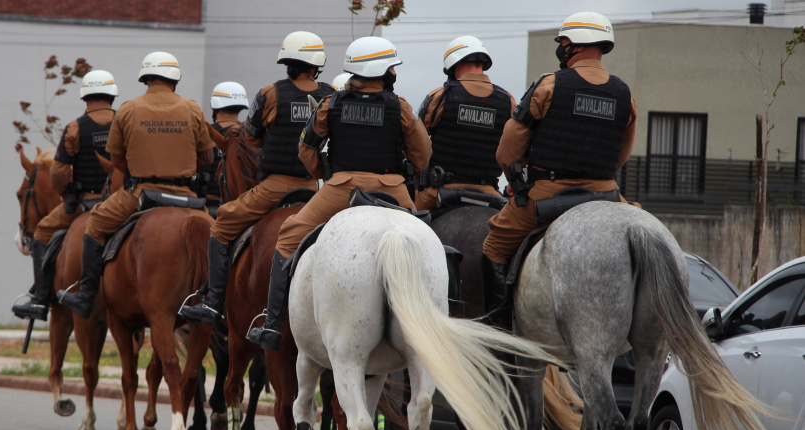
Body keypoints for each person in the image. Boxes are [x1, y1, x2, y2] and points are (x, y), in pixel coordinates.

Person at [246, 36, 432, 351]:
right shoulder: (400, 106)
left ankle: (273, 324)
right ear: (380, 70)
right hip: (392, 187)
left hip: (342, 188)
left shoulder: (330, 103)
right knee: (428, 242)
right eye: (391, 67)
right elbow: (423, 156)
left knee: (288, 235)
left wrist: (324, 175)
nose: (393, 72)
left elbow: (306, 148)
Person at [481, 12, 638, 325]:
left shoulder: (549, 85)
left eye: (564, 42)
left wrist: (516, 179)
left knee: (493, 246)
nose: (561, 48)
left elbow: (508, 149)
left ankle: (499, 326)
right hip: (606, 195)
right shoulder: (624, 94)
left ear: (577, 45)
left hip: (548, 194)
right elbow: (621, 154)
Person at [180, 32, 335, 327]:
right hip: (317, 190)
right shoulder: (332, 95)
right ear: (317, 64)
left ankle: (213, 303)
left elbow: (250, 137)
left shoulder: (270, 93)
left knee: (222, 224)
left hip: (276, 187)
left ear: (286, 62)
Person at [58, 51, 215, 318]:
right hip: (186, 196)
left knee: (95, 223)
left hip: (141, 193)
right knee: (218, 234)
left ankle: (86, 295)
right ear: (174, 79)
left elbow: (117, 159)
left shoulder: (129, 109)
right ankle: (216, 302)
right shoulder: (192, 108)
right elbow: (207, 158)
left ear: (146, 78)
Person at [12, 69, 118, 321]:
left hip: (86, 204)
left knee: (42, 232)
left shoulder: (75, 128)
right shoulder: (124, 122)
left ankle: (40, 300)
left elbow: (59, 172)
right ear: (112, 96)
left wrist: (65, 192)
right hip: (121, 203)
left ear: (86, 97)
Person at [415, 36, 516, 211]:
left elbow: (415, 143)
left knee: (406, 219)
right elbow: (517, 147)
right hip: (489, 192)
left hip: (439, 192)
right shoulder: (508, 100)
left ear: (453, 66)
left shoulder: (440, 96)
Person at [197, 81, 249, 210]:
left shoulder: (203, 132)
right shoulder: (252, 136)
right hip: (243, 206)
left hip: (205, 205)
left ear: (215, 105)